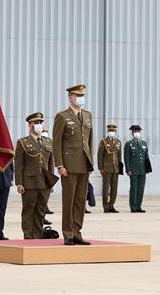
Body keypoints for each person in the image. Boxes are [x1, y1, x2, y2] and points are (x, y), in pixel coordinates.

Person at [53, 83, 93, 246]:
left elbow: (89, 141)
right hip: (68, 166)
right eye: (78, 96)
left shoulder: (88, 115)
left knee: (80, 200)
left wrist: (90, 162)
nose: (81, 98)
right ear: (70, 97)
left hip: (84, 164)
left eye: (83, 95)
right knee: (69, 200)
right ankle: (68, 233)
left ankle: (77, 231)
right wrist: (59, 165)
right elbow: (57, 143)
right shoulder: (62, 116)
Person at [15, 112, 57, 239]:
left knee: (41, 210)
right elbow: (18, 164)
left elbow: (50, 164)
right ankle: (28, 236)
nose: (38, 125)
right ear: (29, 125)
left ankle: (37, 236)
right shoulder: (23, 142)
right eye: (35, 123)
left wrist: (51, 183)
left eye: (40, 122)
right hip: (29, 182)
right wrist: (19, 183)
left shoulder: (48, 142)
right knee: (28, 210)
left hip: (44, 183)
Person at [124, 125, 150, 213]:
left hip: (142, 170)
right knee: (134, 188)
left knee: (141, 188)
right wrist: (128, 169)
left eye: (138, 131)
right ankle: (133, 207)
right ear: (132, 133)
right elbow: (126, 158)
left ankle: (139, 206)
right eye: (135, 131)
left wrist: (148, 168)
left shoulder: (143, 143)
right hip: (133, 170)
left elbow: (146, 157)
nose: (137, 133)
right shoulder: (129, 144)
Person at [97, 124, 122, 213]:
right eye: (110, 131)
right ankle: (105, 206)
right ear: (108, 132)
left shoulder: (118, 142)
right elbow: (100, 156)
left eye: (113, 131)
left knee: (114, 188)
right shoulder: (103, 142)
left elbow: (119, 156)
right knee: (106, 188)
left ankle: (111, 205)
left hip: (116, 168)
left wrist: (120, 168)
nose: (112, 133)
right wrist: (101, 168)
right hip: (107, 168)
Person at [42, 126, 54, 219]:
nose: (45, 132)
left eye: (46, 131)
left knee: (44, 197)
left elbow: (51, 163)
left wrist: (51, 181)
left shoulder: (50, 142)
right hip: (33, 176)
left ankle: (43, 217)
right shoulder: (28, 142)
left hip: (45, 175)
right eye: (43, 131)